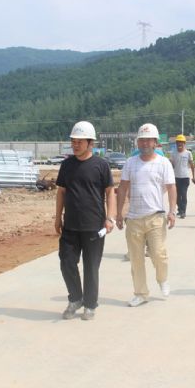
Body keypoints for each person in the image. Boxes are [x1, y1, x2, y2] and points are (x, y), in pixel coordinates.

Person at [55, 121, 116, 321]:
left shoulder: (101, 165)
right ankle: (75, 298)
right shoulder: (67, 165)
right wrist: (58, 217)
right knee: (66, 262)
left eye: (80, 142)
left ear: (90, 143)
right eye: (73, 141)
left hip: (94, 226)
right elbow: (61, 192)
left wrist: (110, 218)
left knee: (91, 267)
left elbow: (110, 192)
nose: (75, 145)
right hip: (70, 225)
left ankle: (90, 304)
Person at [116, 123, 177, 307]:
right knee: (136, 259)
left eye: (148, 140)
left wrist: (172, 211)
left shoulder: (164, 163)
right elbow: (122, 188)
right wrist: (119, 213)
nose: (144, 143)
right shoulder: (130, 163)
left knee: (158, 254)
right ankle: (141, 293)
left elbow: (171, 188)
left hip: (155, 217)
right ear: (137, 142)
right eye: (141, 140)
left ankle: (162, 279)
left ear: (155, 142)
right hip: (134, 218)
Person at [170, 134, 195, 219]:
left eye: (181, 142)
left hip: (185, 178)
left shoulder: (188, 153)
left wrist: (194, 176)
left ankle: (183, 211)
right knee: (177, 196)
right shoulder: (173, 153)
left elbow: (192, 165)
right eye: (178, 142)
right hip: (176, 178)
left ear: (184, 143)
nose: (179, 144)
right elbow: (171, 166)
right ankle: (180, 209)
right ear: (176, 143)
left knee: (183, 195)